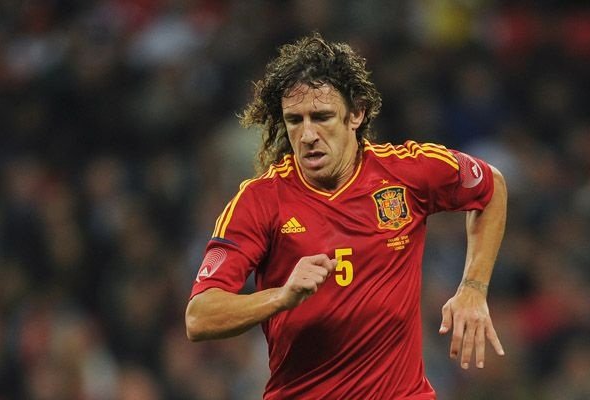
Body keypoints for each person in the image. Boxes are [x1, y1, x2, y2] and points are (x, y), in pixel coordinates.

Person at [185, 32, 507, 399]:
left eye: (321, 117)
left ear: (356, 114)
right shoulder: (259, 202)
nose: (307, 134)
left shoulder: (407, 173)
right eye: (294, 120)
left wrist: (473, 288)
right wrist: (281, 297)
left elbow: (491, 187)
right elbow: (199, 316)